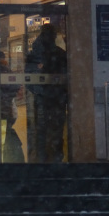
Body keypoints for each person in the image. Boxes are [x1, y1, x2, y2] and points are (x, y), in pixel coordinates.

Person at [24, 20, 69, 163]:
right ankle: (54, 160)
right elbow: (66, 77)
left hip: (43, 100)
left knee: (41, 133)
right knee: (54, 132)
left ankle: (43, 161)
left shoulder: (35, 54)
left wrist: (40, 92)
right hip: (56, 99)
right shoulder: (59, 54)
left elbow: (29, 79)